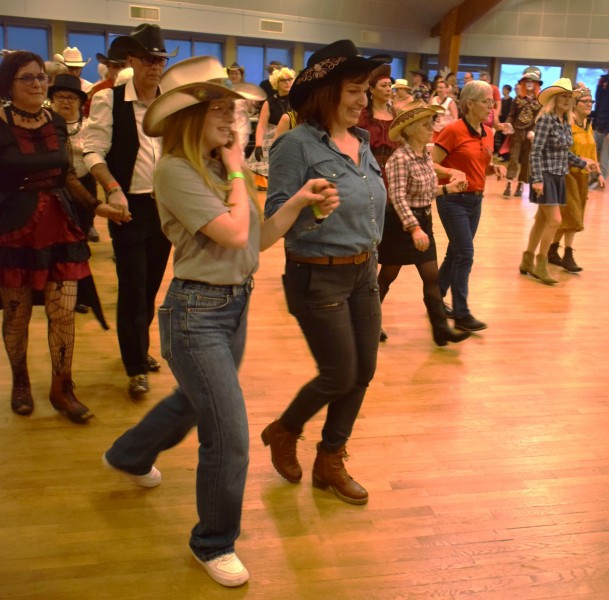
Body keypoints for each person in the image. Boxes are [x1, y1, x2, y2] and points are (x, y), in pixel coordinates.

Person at [102, 55, 338, 588]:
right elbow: (232, 233)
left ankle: (128, 455)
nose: (234, 119)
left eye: (235, 110)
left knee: (192, 401)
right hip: (196, 314)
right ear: (191, 115)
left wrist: (300, 201)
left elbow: (255, 239)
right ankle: (213, 542)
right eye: (222, 110)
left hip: (234, 305)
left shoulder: (219, 168)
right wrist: (237, 169)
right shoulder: (175, 170)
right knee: (228, 434)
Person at [262, 39, 391, 506]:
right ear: (326, 93)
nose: (363, 100)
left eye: (366, 90)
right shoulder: (295, 145)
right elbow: (275, 217)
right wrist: (311, 209)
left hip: (363, 272)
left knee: (363, 371)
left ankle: (330, 459)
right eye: (354, 90)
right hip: (318, 275)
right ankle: (285, 429)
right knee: (339, 374)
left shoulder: (362, 141)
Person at [0, 51, 127, 422]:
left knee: (64, 313)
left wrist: (97, 206)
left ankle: (62, 388)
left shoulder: (55, 120)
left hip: (60, 225)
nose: (38, 84)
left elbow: (66, 175)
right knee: (18, 316)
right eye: (28, 78)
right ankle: (21, 381)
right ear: (9, 83)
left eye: (42, 77)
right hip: (14, 231)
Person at [84, 23, 178, 398]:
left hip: (164, 208)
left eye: (160, 60)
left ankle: (139, 348)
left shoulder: (169, 102)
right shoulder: (110, 100)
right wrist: (113, 189)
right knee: (133, 287)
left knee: (150, 287)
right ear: (132, 61)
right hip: (128, 207)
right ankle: (135, 366)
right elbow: (92, 151)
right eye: (148, 59)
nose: (155, 66)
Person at [377, 100, 470, 346]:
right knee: (387, 276)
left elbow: (425, 193)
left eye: (431, 123)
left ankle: (441, 331)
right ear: (410, 130)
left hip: (423, 222)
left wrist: (448, 189)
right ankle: (369, 321)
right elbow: (397, 197)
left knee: (431, 277)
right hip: (401, 224)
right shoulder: (400, 159)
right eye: (425, 125)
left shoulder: (425, 157)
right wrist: (414, 228)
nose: (431, 128)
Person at [431, 80, 507, 332]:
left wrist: (493, 168)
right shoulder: (453, 130)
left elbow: (479, 166)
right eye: (486, 101)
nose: (491, 106)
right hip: (452, 200)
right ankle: (461, 313)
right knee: (465, 254)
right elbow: (431, 164)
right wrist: (449, 172)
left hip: (475, 200)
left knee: (456, 253)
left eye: (492, 101)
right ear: (470, 104)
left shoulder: (489, 133)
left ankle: (434, 298)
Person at [519, 78, 596, 284]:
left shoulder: (565, 121)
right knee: (555, 221)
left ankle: (527, 260)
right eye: (563, 96)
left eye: (569, 96)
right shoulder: (546, 120)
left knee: (541, 220)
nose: (567, 100)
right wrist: (537, 180)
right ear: (554, 98)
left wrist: (583, 163)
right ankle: (541, 264)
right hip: (544, 176)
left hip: (559, 176)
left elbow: (565, 153)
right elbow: (535, 152)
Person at [548, 87, 605, 272]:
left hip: (583, 177)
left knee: (569, 216)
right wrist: (580, 160)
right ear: (575, 103)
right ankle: (568, 254)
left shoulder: (587, 124)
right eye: (585, 101)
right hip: (567, 175)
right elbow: (561, 151)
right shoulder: (567, 124)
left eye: (591, 101)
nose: (589, 104)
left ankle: (552, 250)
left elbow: (592, 150)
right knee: (573, 216)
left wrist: (599, 173)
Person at [247, 66, 294, 188]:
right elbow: (261, 125)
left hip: (293, 135)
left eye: (290, 79)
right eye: (283, 80)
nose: (287, 82)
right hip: (272, 137)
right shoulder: (270, 102)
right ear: (276, 83)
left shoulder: (297, 99)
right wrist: (258, 145)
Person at [503, 67, 543, 198]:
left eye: (532, 81)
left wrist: (533, 131)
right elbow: (511, 114)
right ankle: (509, 183)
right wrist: (508, 123)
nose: (529, 83)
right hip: (517, 132)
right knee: (513, 158)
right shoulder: (517, 99)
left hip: (530, 134)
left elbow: (539, 119)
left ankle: (521, 184)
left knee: (527, 160)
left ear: (536, 84)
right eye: (527, 81)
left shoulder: (540, 101)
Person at [82, 41, 128, 117]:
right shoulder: (98, 90)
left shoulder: (139, 89)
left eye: (124, 66)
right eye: (116, 66)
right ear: (108, 67)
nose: (120, 70)